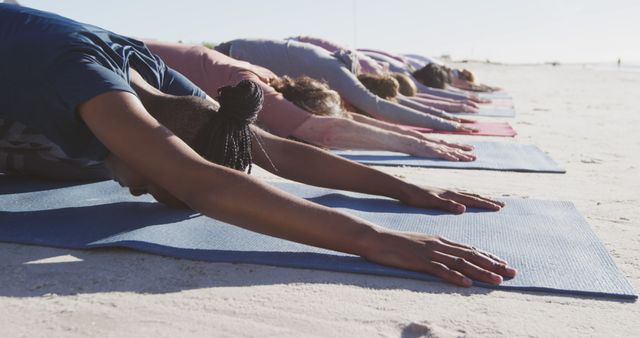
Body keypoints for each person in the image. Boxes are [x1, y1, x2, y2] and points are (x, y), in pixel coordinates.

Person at [0, 4, 516, 286]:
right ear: (162, 143)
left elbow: (278, 149)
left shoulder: (163, 85)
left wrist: (401, 188)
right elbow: (202, 183)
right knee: (86, 161)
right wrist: (373, 238)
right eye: (158, 187)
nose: (140, 196)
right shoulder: (82, 75)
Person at [145, 40, 475, 161]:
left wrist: (416, 136)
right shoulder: (255, 88)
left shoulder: (270, 78)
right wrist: (417, 146)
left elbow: (345, 119)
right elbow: (326, 131)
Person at [215, 38, 476, 131]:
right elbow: (379, 108)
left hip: (238, 48)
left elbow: (385, 102)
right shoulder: (340, 73)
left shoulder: (344, 68)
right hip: (231, 55)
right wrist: (445, 121)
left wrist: (445, 114)